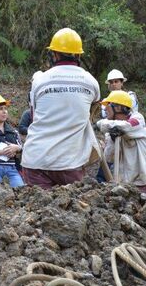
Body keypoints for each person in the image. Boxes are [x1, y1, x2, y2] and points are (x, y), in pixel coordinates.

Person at [21, 28, 100, 189]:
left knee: (37, 211)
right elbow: (94, 106)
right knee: (72, 209)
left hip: (36, 160)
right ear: (78, 55)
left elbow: (34, 116)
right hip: (70, 162)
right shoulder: (90, 81)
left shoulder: (40, 80)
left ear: (54, 54)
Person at [96, 91, 146, 193]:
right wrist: (111, 139)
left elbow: (126, 127)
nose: (105, 109)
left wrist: (99, 124)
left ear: (119, 107)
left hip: (142, 183)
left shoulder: (137, 119)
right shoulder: (112, 129)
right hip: (124, 185)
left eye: (108, 105)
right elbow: (108, 158)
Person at [96, 69, 139, 182]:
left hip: (128, 135)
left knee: (126, 165)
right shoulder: (106, 101)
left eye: (116, 81)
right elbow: (106, 118)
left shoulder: (130, 96)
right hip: (111, 134)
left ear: (122, 82)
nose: (114, 84)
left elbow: (129, 115)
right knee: (107, 161)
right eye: (111, 82)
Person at [0, 94, 24, 187]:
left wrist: (16, 148)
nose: (4, 111)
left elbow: (22, 148)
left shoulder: (13, 131)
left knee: (20, 191)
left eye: (5, 109)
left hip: (13, 168)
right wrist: (3, 152)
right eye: (1, 109)